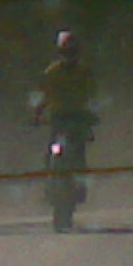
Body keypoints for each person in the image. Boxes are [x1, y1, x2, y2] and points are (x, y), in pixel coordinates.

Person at [30, 29, 98, 197]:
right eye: (66, 52)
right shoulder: (52, 72)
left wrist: (92, 115)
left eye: (72, 52)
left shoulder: (84, 71)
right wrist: (37, 113)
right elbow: (44, 94)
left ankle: (80, 184)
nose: (69, 56)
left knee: (79, 151)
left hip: (78, 118)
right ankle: (48, 184)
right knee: (51, 150)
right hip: (58, 119)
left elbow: (92, 95)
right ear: (60, 53)